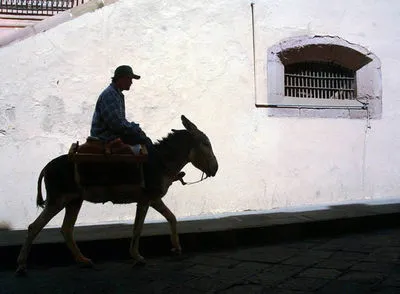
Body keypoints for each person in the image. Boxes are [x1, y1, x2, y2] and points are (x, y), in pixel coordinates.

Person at [90, 65, 164, 194]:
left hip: (111, 132)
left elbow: (120, 122)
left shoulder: (116, 94)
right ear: (121, 78)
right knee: (145, 143)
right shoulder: (110, 95)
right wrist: (134, 129)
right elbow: (116, 124)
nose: (131, 82)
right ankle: (152, 183)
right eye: (130, 79)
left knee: (142, 139)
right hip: (105, 135)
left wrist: (134, 128)